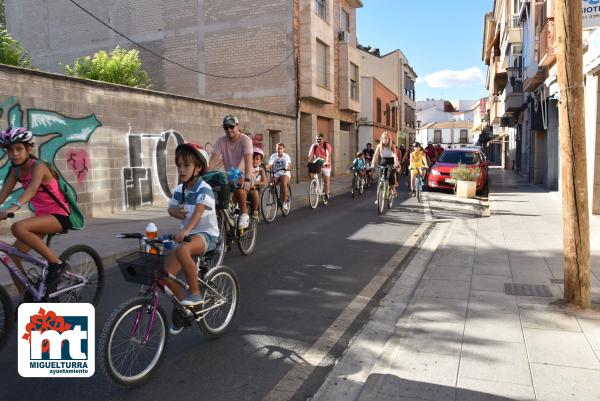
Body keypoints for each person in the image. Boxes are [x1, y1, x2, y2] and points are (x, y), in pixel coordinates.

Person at [0, 127, 71, 296]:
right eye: (10, 150)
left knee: (18, 227)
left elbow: (31, 190)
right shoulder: (15, 171)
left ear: (28, 149)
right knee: (12, 258)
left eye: (19, 149)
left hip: (59, 216)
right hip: (42, 218)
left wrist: (11, 209)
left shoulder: (39, 167)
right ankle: (27, 297)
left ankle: (56, 263)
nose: (14, 154)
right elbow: (2, 195)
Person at [166, 143, 219, 333]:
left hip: (206, 235)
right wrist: (173, 211)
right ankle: (185, 309)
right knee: (166, 276)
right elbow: (171, 208)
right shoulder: (180, 190)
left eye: (186, 165)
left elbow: (197, 213)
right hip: (187, 236)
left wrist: (186, 229)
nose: (181, 169)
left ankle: (195, 293)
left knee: (182, 249)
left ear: (198, 167)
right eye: (179, 165)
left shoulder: (204, 189)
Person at [209, 115, 254, 229]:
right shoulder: (221, 141)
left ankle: (244, 213)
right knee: (219, 200)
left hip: (245, 173)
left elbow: (248, 161)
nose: (228, 129)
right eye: (226, 127)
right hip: (228, 175)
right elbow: (212, 161)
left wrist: (248, 178)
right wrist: (205, 175)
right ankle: (226, 236)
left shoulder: (245, 140)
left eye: (231, 126)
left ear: (237, 126)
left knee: (239, 186)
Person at [371, 132, 400, 199]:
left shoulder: (392, 146)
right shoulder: (379, 146)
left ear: (389, 139)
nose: (384, 140)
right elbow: (375, 155)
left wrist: (396, 163)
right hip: (383, 161)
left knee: (389, 175)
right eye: (383, 138)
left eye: (386, 138)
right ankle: (379, 198)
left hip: (391, 161)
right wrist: (372, 163)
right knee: (381, 178)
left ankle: (393, 189)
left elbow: (395, 155)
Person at [266, 142, 292, 213]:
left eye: (281, 149)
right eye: (278, 149)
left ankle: (285, 202)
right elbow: (269, 164)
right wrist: (264, 168)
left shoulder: (286, 156)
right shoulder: (273, 156)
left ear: (284, 149)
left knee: (283, 183)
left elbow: (289, 165)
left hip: (284, 172)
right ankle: (271, 198)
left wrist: (288, 168)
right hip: (276, 173)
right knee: (271, 184)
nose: (279, 150)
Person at [307, 133, 332, 200]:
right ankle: (315, 184)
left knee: (326, 181)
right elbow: (310, 155)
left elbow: (328, 154)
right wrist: (308, 162)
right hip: (317, 163)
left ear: (323, 139)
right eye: (317, 139)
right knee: (311, 173)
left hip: (325, 164)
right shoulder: (314, 146)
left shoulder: (327, 145)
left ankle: (326, 194)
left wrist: (326, 162)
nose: (318, 140)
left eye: (320, 139)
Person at [249, 147, 268, 219]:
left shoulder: (261, 170)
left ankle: (255, 211)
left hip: (256, 187)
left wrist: (255, 183)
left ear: (260, 160)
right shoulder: (248, 167)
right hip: (247, 186)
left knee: (255, 193)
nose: (254, 161)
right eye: (252, 158)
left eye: (257, 159)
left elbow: (264, 182)